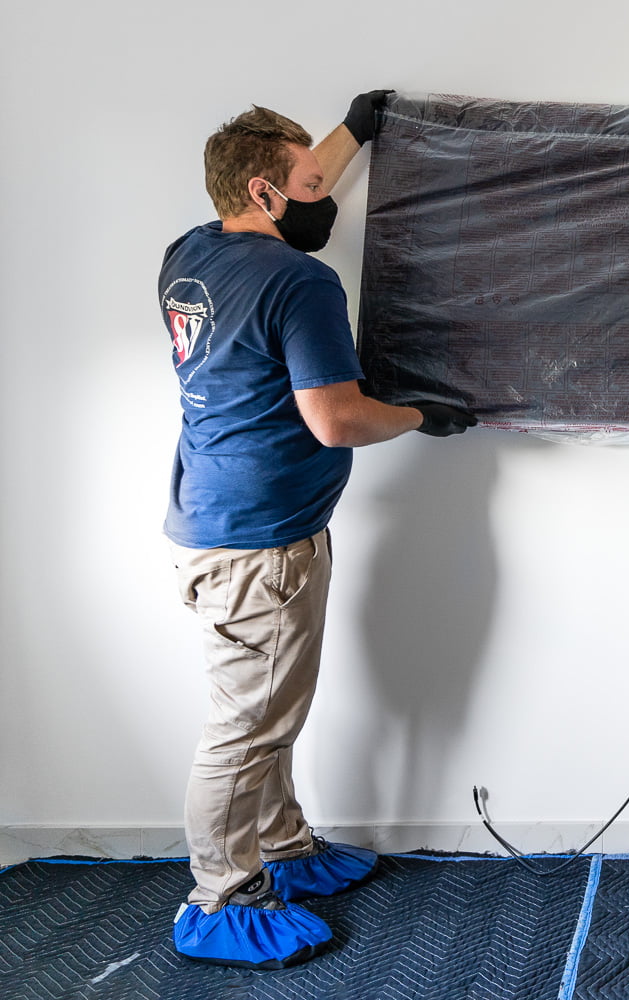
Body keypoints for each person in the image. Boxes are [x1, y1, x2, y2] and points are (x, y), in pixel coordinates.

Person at [159, 93, 476, 970]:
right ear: (265, 194)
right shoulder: (299, 281)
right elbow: (335, 421)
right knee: (248, 726)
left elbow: (287, 175)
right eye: (310, 183)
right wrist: (418, 415)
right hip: (263, 543)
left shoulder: (190, 257)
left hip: (222, 518)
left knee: (271, 710)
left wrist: (353, 130)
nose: (324, 196)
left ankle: (286, 849)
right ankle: (221, 896)